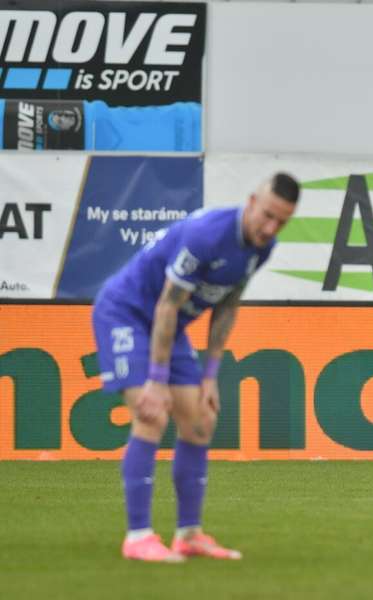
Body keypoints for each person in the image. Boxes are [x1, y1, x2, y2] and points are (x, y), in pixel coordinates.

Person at [92, 173, 301, 562]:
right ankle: (138, 537)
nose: (271, 228)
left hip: (169, 327)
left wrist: (210, 376)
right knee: (152, 413)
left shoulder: (262, 247)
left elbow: (228, 304)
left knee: (201, 420)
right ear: (252, 201)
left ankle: (188, 534)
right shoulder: (207, 234)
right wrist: (156, 381)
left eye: (282, 222)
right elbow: (167, 305)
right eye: (268, 216)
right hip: (127, 313)